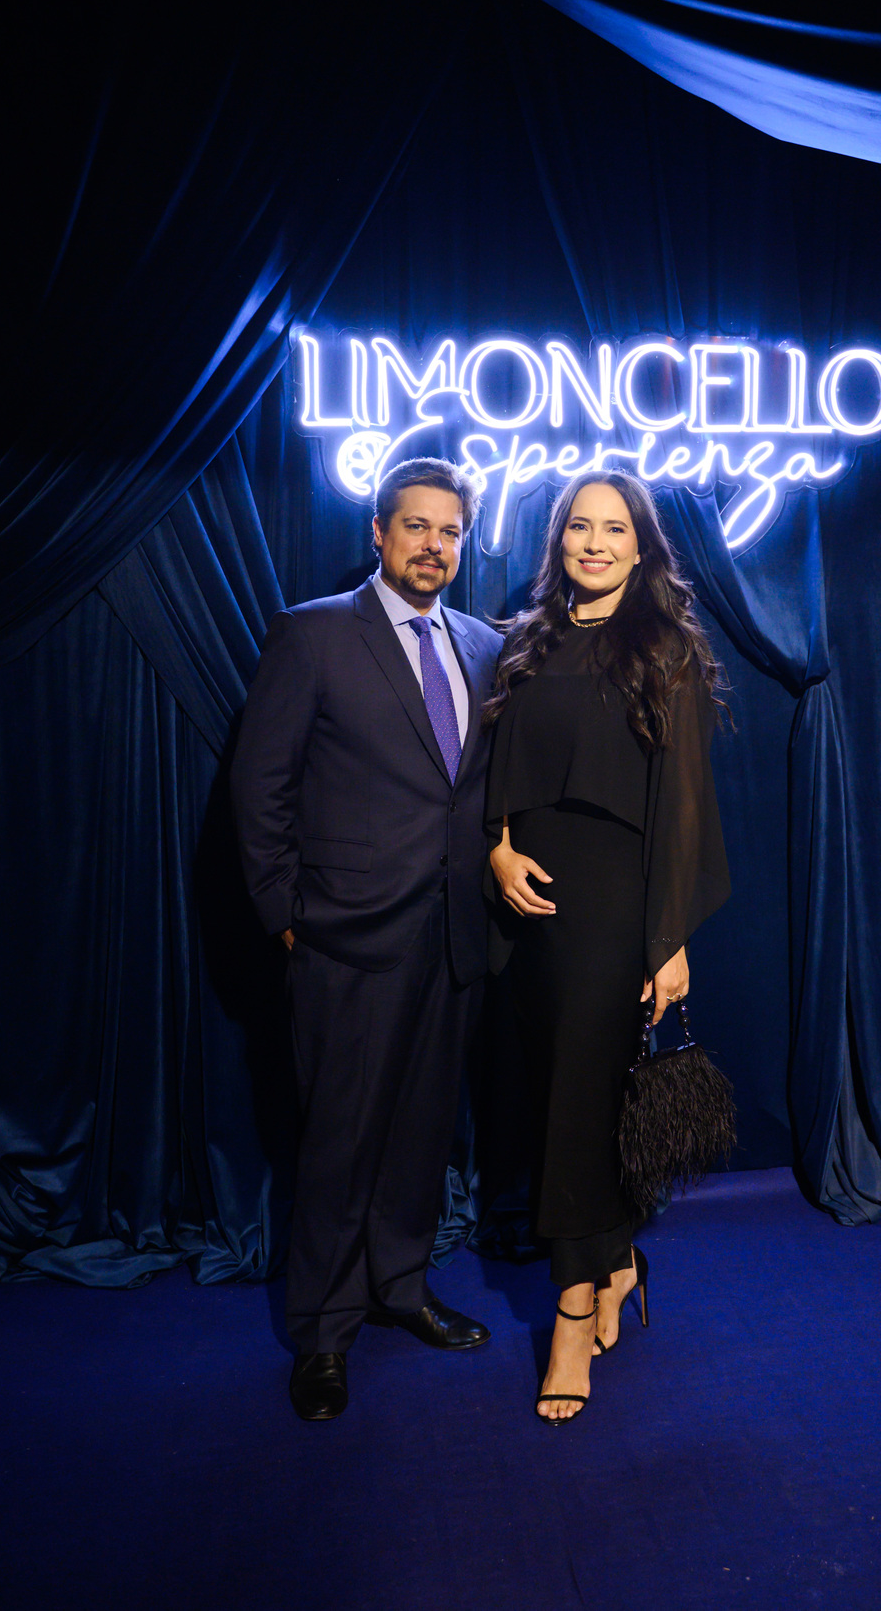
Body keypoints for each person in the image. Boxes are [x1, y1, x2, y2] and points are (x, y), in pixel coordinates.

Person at [230, 456, 503, 1421]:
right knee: (340, 1141)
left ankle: (400, 1286)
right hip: (345, 940)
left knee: (423, 1134)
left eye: (450, 531)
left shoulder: (483, 644)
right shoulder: (313, 633)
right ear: (378, 533)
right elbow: (260, 786)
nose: (434, 545)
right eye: (416, 526)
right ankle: (323, 1332)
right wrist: (287, 916)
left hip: (453, 938)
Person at [485, 470, 730, 1423]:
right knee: (559, 1096)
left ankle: (573, 1308)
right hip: (528, 903)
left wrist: (668, 938)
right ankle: (620, 1258)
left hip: (616, 903)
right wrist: (498, 849)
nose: (594, 543)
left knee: (579, 1104)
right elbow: (494, 772)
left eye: (614, 529)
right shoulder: (526, 640)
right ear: (559, 542)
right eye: (580, 527)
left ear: (641, 545)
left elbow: (684, 803)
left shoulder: (664, 647)